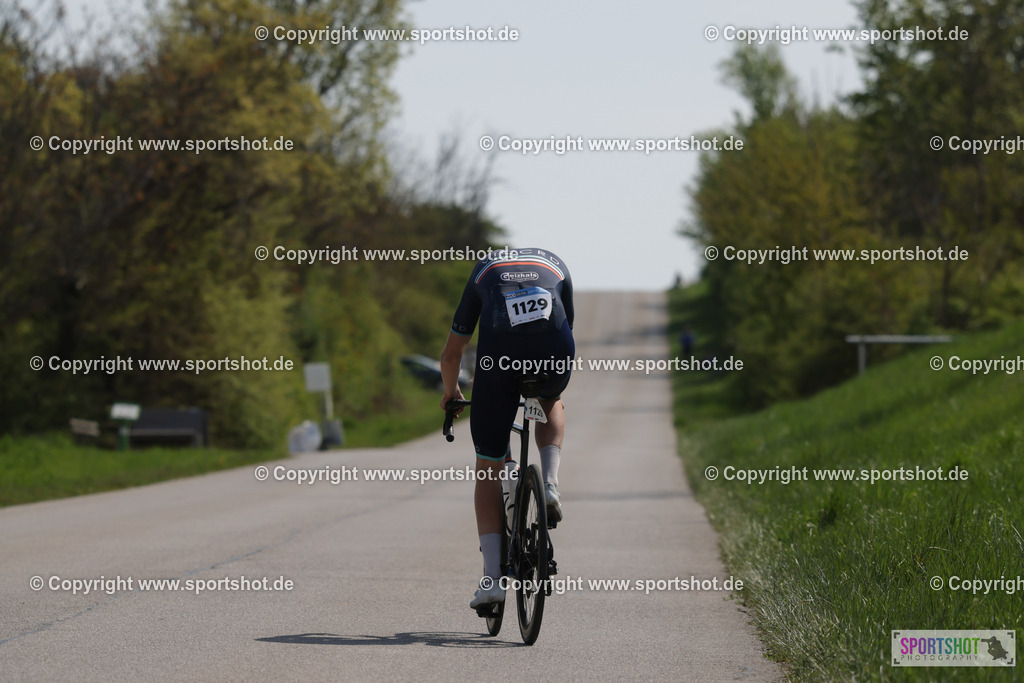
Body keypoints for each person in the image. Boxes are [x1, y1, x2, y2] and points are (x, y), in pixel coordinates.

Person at [439, 247, 574, 609]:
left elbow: (452, 354)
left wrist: (452, 393)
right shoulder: (554, 263)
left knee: (487, 468)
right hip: (554, 351)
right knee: (551, 399)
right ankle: (549, 484)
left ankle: (492, 582)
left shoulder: (483, 271)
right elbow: (564, 326)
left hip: (499, 360)